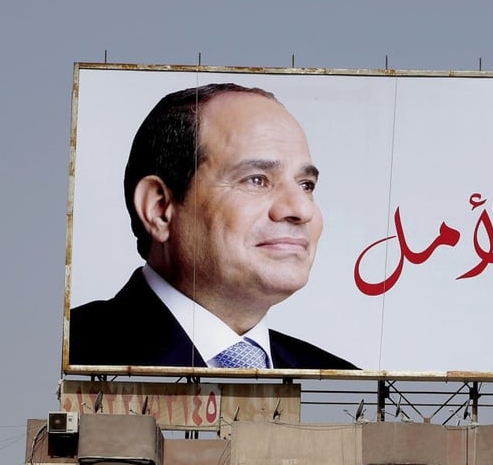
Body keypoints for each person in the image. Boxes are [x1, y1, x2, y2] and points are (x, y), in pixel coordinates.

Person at [69, 83, 357, 370]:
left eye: (306, 185)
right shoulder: (67, 352)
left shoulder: (341, 380)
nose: (302, 210)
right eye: (257, 180)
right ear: (159, 208)